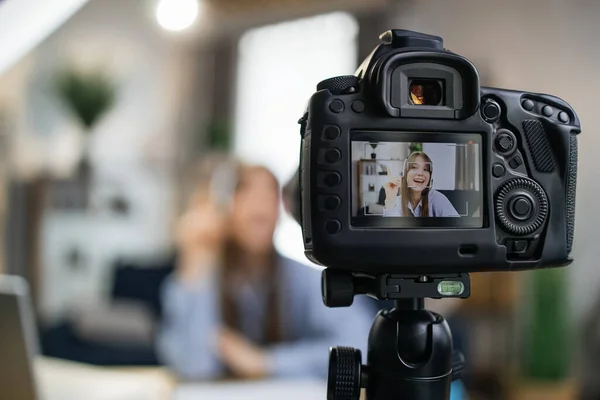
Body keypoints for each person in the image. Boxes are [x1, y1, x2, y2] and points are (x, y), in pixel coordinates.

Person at [156, 159, 374, 381]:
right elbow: (195, 366)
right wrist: (194, 260)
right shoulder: (201, 280)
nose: (260, 205)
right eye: (245, 191)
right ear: (224, 208)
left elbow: (361, 344)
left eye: (270, 195)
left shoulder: (302, 279)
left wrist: (267, 363)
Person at [383, 151, 459, 217]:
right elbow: (392, 232)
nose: (420, 173)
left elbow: (458, 228)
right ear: (405, 174)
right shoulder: (397, 202)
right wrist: (390, 200)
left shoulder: (438, 199)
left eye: (425, 169)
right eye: (414, 167)